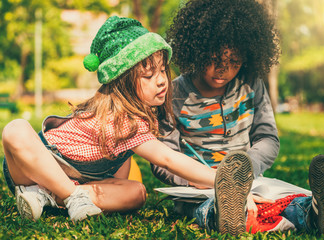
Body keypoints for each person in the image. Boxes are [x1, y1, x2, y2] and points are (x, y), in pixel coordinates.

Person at [151, 0, 324, 237]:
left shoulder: (252, 85)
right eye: (215, 60)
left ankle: (316, 212)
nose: (223, 70)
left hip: (250, 181)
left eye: (234, 62)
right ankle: (225, 215)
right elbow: (162, 157)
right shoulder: (173, 95)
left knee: (282, 201)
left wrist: (244, 172)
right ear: (197, 49)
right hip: (198, 189)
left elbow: (267, 139)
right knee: (207, 208)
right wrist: (190, 180)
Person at [1, 16, 216, 222]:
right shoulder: (123, 118)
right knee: (15, 129)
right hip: (32, 166)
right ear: (123, 82)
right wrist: (219, 179)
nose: (161, 80)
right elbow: (167, 159)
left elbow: (119, 179)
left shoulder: (139, 116)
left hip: (75, 179)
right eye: (149, 75)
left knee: (137, 192)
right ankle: (71, 196)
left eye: (162, 70)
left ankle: (47, 196)